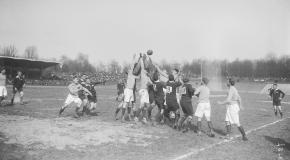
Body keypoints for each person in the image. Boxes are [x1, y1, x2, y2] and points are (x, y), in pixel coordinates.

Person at [116, 54, 139, 122]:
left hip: (131, 91)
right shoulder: (130, 74)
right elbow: (132, 65)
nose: (131, 70)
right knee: (125, 103)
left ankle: (129, 116)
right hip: (128, 90)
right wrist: (134, 58)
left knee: (130, 104)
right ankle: (122, 117)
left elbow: (138, 76)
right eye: (130, 70)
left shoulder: (134, 76)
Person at [137, 54, 153, 124]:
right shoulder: (143, 72)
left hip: (145, 91)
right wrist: (141, 58)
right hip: (143, 90)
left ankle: (144, 118)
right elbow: (143, 65)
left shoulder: (148, 76)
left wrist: (149, 58)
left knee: (146, 105)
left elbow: (151, 83)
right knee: (142, 105)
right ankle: (136, 117)